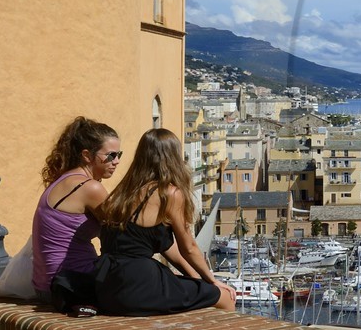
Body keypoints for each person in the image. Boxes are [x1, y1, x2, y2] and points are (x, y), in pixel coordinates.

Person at [94, 128, 234, 315]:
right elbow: (189, 247)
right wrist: (213, 281)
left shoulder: (123, 192)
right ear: (172, 158)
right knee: (225, 298)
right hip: (137, 285)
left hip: (107, 284)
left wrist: (195, 278)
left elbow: (166, 246)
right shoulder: (168, 194)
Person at [31, 117, 121, 309]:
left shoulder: (64, 179)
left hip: (47, 286)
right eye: (111, 156)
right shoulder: (90, 188)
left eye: (119, 154)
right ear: (87, 156)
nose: (117, 161)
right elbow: (124, 228)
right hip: (70, 285)